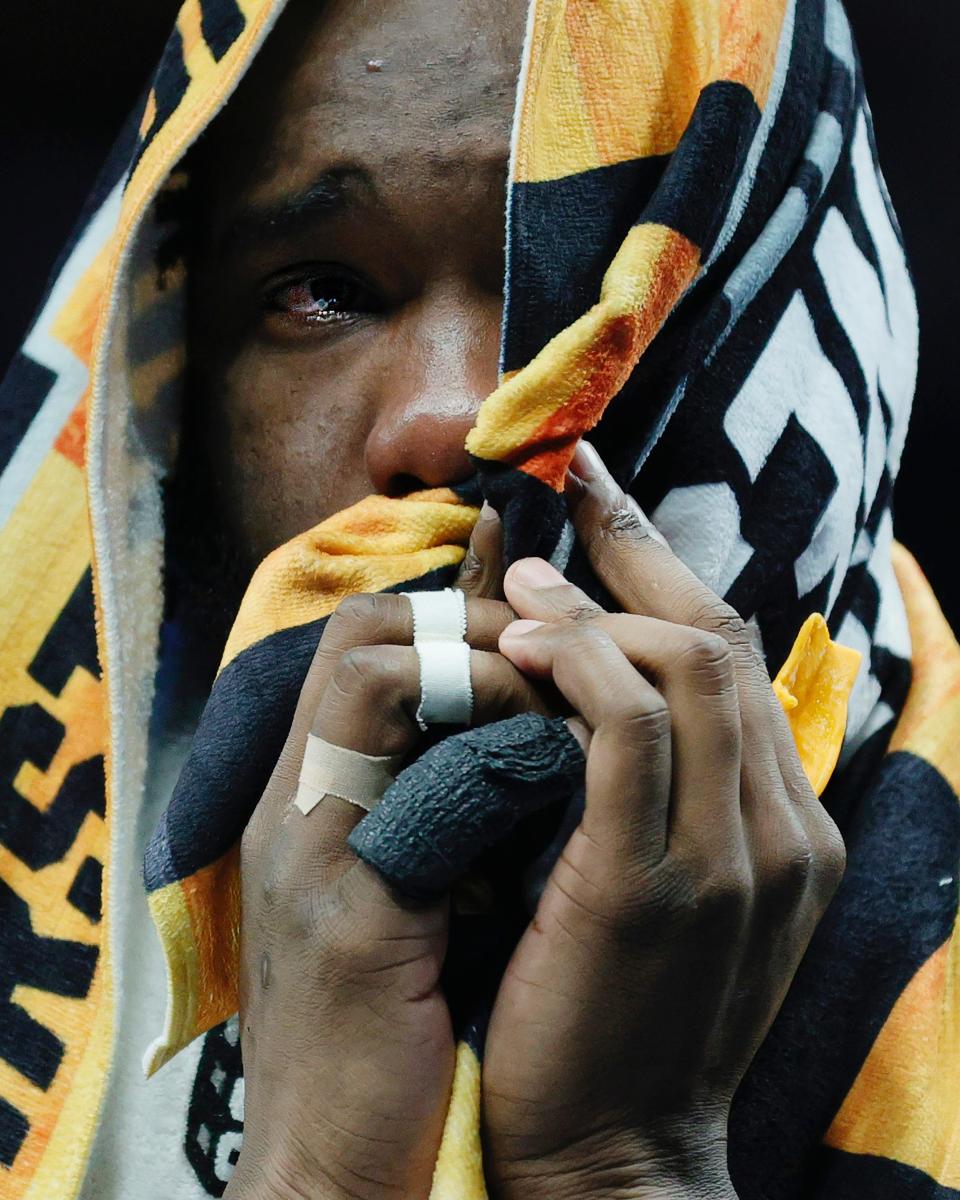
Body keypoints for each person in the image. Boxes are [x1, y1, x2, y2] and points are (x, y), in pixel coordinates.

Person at [0, 1, 956, 1199]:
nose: (452, 423)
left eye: (577, 278)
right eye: (325, 291)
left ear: (789, 312)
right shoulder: (41, 890)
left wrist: (617, 1166)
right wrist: (316, 1172)